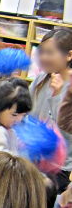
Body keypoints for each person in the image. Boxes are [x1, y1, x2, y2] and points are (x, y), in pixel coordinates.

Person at [30, 28, 72, 192]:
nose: (43, 58)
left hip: (59, 166)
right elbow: (26, 113)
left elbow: (67, 130)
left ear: (69, 55)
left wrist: (56, 97)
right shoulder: (41, 79)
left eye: (50, 53)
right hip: (34, 156)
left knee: (33, 192)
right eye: (41, 52)